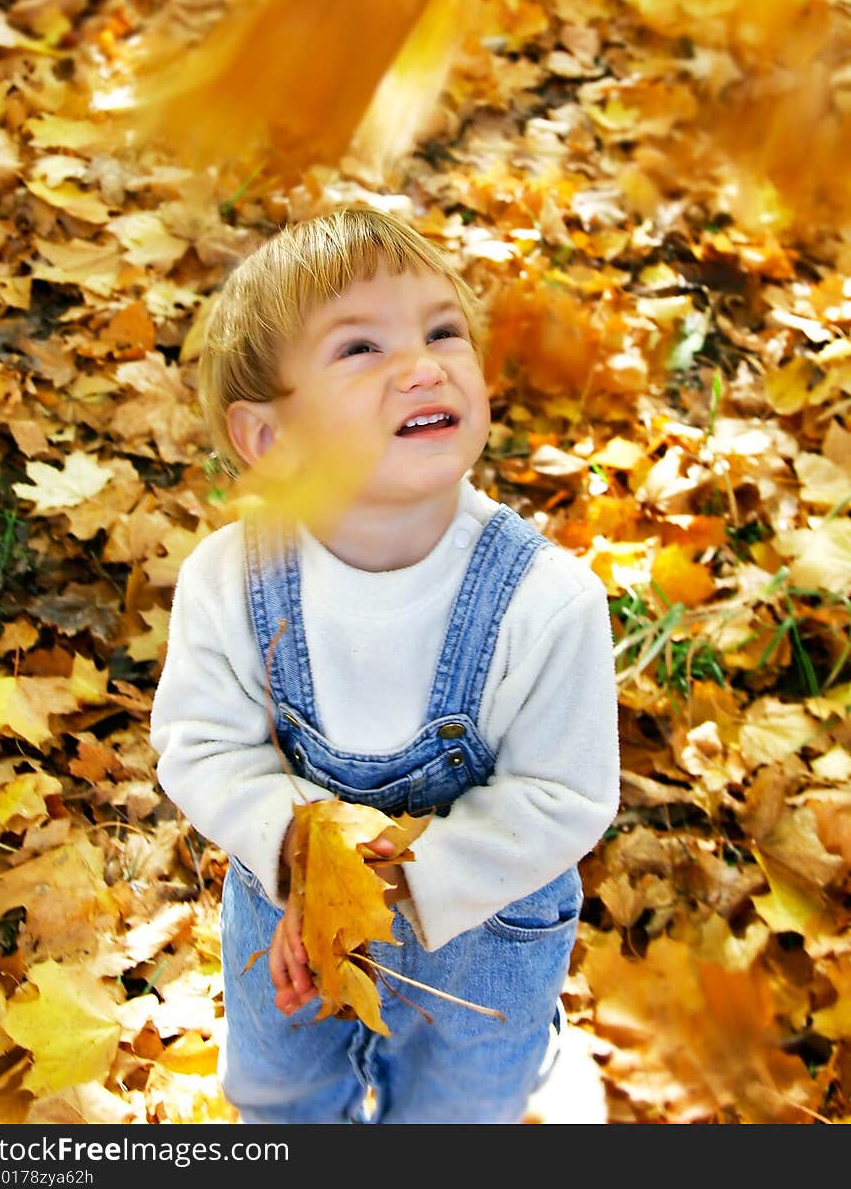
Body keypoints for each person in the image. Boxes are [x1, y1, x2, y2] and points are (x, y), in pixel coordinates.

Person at [150, 204, 620, 1125]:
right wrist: (302, 864)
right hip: (291, 925)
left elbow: (562, 795)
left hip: (481, 939)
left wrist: (394, 879)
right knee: (281, 1094)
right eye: (360, 349)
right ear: (269, 441)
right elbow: (202, 746)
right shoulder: (233, 583)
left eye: (445, 331)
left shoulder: (544, 601)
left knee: (458, 1113)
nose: (424, 363)